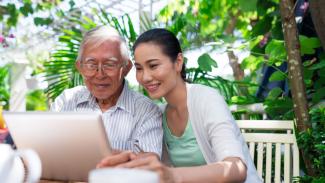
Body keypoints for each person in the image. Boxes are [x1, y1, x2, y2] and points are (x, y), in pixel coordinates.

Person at [97, 28, 261, 183]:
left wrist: (172, 176)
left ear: (178, 62)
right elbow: (157, 167)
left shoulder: (206, 99)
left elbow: (236, 169)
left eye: (153, 65)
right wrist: (126, 159)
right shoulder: (159, 113)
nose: (145, 77)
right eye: (139, 68)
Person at [51, 26, 163, 158]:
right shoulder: (65, 101)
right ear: (80, 67)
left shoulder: (146, 111)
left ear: (126, 68)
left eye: (109, 64)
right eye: (91, 64)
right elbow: (44, 151)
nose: (99, 74)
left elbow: (149, 166)